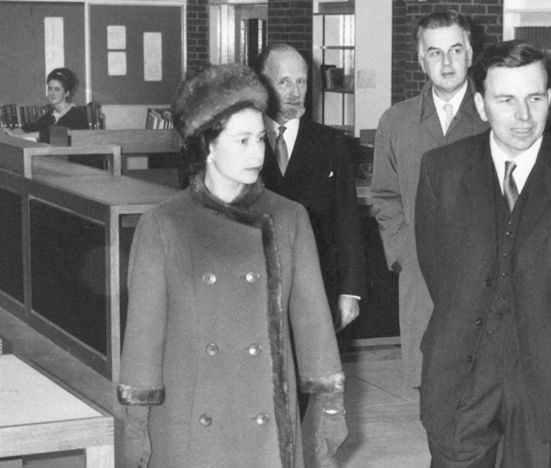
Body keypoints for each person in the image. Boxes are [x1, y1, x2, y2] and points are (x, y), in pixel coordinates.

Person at [117, 64, 347, 468]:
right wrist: (137, 424)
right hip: (191, 419)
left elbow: (313, 323)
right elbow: (142, 339)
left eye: (260, 138)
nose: (258, 152)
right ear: (208, 145)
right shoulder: (164, 224)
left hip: (266, 420)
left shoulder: (289, 217)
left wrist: (329, 406)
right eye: (242, 141)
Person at [415, 41, 551, 467]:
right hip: (462, 373)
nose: (523, 116)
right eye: (506, 100)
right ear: (480, 104)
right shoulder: (442, 170)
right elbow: (437, 269)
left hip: (548, 379)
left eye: (534, 98)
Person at [370, 10, 489, 392]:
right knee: (431, 385)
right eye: (435, 53)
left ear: (471, 53)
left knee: (481, 384)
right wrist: (405, 253)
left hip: (484, 273)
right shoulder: (396, 122)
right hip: (421, 275)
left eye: (455, 50)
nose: (447, 62)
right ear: (421, 59)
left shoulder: (494, 117)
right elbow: (385, 196)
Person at [258, 43, 365, 332]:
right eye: (284, 82)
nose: (295, 92)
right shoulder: (244, 138)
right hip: (254, 283)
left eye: (301, 82)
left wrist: (350, 291)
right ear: (262, 84)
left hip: (316, 283)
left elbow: (347, 221)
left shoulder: (330, 144)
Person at [22, 67, 89, 140]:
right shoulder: (50, 114)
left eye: (57, 89)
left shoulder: (77, 114)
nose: (52, 93)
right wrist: (13, 131)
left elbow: (59, 135)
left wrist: (28, 135)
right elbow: (33, 127)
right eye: (50, 89)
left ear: (67, 93)